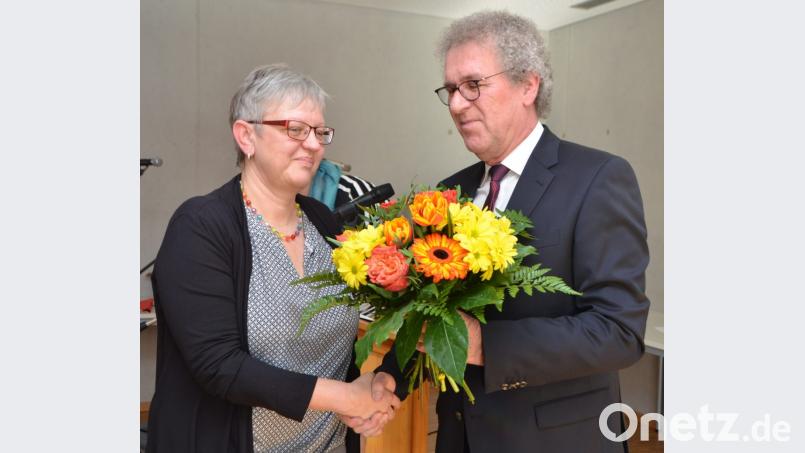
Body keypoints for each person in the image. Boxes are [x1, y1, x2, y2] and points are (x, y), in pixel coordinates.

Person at [363, 10, 651, 452]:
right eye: (452, 90)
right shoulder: (448, 192)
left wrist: (482, 343)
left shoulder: (597, 177)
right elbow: (429, 314)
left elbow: (618, 332)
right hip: (460, 436)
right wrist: (390, 381)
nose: (457, 104)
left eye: (474, 85)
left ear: (527, 85)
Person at [147, 64, 400, 453]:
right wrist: (345, 397)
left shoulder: (322, 221)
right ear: (246, 136)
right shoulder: (201, 226)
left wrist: (379, 383)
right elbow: (220, 366)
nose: (314, 144)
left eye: (320, 132)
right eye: (295, 129)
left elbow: (368, 329)